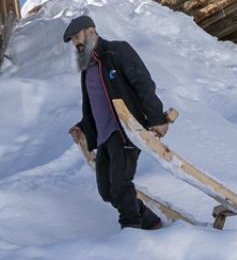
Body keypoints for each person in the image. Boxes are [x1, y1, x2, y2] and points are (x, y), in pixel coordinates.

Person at [64, 14, 168, 230]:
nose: (76, 43)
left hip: (126, 131)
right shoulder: (87, 70)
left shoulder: (117, 51)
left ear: (91, 31)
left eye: (77, 37)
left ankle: (131, 232)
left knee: (120, 185)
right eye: (73, 40)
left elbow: (143, 83)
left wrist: (157, 118)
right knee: (107, 191)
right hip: (105, 136)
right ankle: (151, 222)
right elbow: (96, 106)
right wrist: (82, 127)